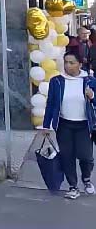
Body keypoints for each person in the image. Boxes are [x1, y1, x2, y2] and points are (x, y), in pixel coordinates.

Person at [41, 51, 96, 200]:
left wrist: (92, 97)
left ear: (80, 64)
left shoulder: (90, 81)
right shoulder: (57, 81)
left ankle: (86, 179)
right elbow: (51, 104)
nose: (67, 65)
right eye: (65, 62)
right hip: (64, 125)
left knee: (86, 156)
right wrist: (46, 125)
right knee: (67, 156)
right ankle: (73, 186)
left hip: (84, 125)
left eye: (72, 62)